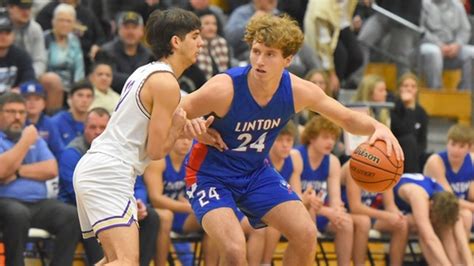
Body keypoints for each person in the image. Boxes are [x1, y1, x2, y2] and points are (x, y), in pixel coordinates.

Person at [180, 14, 403, 265]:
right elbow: (171, 112)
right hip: (210, 175)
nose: (260, 61)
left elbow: (347, 118)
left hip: (254, 172)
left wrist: (378, 126)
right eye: (256, 51)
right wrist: (192, 127)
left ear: (288, 59)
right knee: (234, 249)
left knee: (306, 234)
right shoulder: (224, 88)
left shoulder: (298, 91)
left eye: (270, 54)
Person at [73, 8, 210, 265]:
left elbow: (181, 117)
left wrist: (186, 126)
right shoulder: (166, 83)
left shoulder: (145, 72)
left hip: (102, 168)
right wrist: (177, 126)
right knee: (126, 261)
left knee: (114, 259)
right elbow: (157, 151)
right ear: (176, 41)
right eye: (195, 36)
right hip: (109, 171)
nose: (201, 42)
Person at [58, 107, 159, 265]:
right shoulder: (73, 151)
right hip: (84, 208)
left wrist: (138, 202)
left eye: (102, 127)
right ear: (84, 128)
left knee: (151, 218)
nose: (97, 131)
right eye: (93, 127)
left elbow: (135, 182)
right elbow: (73, 190)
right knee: (124, 261)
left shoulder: (119, 148)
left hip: (112, 201)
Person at [0, 92, 81, 266]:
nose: (17, 117)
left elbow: (51, 169)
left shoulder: (36, 139)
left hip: (38, 204)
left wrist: (17, 172)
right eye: (10, 112)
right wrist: (25, 141)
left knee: (71, 215)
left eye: (22, 113)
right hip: (5, 202)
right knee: (17, 214)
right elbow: (2, 170)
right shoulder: (28, 137)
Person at [296, 116, 371, 265]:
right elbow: (297, 200)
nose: (330, 142)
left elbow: (336, 198)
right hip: (301, 211)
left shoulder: (332, 161)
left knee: (346, 221)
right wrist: (328, 211)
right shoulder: (297, 156)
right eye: (325, 137)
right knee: (313, 209)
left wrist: (336, 210)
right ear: (312, 137)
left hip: (321, 212)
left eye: (333, 138)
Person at [394, 173, 473, 265]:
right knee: (423, 229)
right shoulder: (419, 197)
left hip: (427, 204)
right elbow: (429, 238)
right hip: (392, 210)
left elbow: (462, 242)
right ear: (431, 205)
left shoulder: (446, 197)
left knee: (449, 225)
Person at [262, 121, 311, 265]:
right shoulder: (262, 157)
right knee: (275, 223)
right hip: (258, 208)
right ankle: (265, 263)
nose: (285, 145)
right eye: (279, 140)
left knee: (305, 227)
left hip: (279, 209)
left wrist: (306, 198)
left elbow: (295, 194)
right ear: (270, 140)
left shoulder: (295, 158)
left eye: (289, 140)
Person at [341, 162, 408, 266]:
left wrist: (397, 214)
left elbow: (390, 205)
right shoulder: (354, 166)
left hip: (373, 215)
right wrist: (386, 216)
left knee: (401, 224)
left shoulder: (386, 169)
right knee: (364, 222)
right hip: (350, 214)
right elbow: (355, 207)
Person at [423, 123, 474, 236]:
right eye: (453, 144)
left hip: (461, 210)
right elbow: (450, 200)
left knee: (465, 215)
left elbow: (472, 194)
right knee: (465, 216)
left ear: (469, 148)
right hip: (436, 209)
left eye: (461, 146)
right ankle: (462, 253)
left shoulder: (471, 161)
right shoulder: (436, 162)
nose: (455, 150)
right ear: (447, 143)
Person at [99, 11, 154, 93]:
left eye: (134, 27)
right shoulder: (106, 52)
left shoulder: (149, 55)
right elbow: (110, 77)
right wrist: (139, 81)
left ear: (142, 31)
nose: (130, 32)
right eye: (126, 27)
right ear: (118, 30)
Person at [391, 73, 428, 173]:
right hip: (395, 149)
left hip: (415, 154)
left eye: (413, 86)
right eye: (405, 86)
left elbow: (422, 140)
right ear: (399, 89)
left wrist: (415, 152)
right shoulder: (393, 108)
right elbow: (400, 130)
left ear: (417, 90)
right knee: (409, 140)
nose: (409, 89)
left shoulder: (422, 112)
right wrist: (409, 109)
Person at [20, 81, 64, 158]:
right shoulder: (16, 122)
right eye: (27, 99)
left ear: (44, 103)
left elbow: (59, 152)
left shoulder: (50, 124)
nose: (32, 103)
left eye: (37, 99)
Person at [51, 79, 94, 147]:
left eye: (88, 96)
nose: (84, 100)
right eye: (80, 95)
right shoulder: (56, 122)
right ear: (70, 97)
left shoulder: (96, 122)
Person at [0, 11, 35, 94]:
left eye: (7, 33)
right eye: (0, 33)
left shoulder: (21, 56)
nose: (3, 37)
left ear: (13, 35)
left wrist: (18, 91)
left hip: (14, 100)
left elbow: (29, 80)